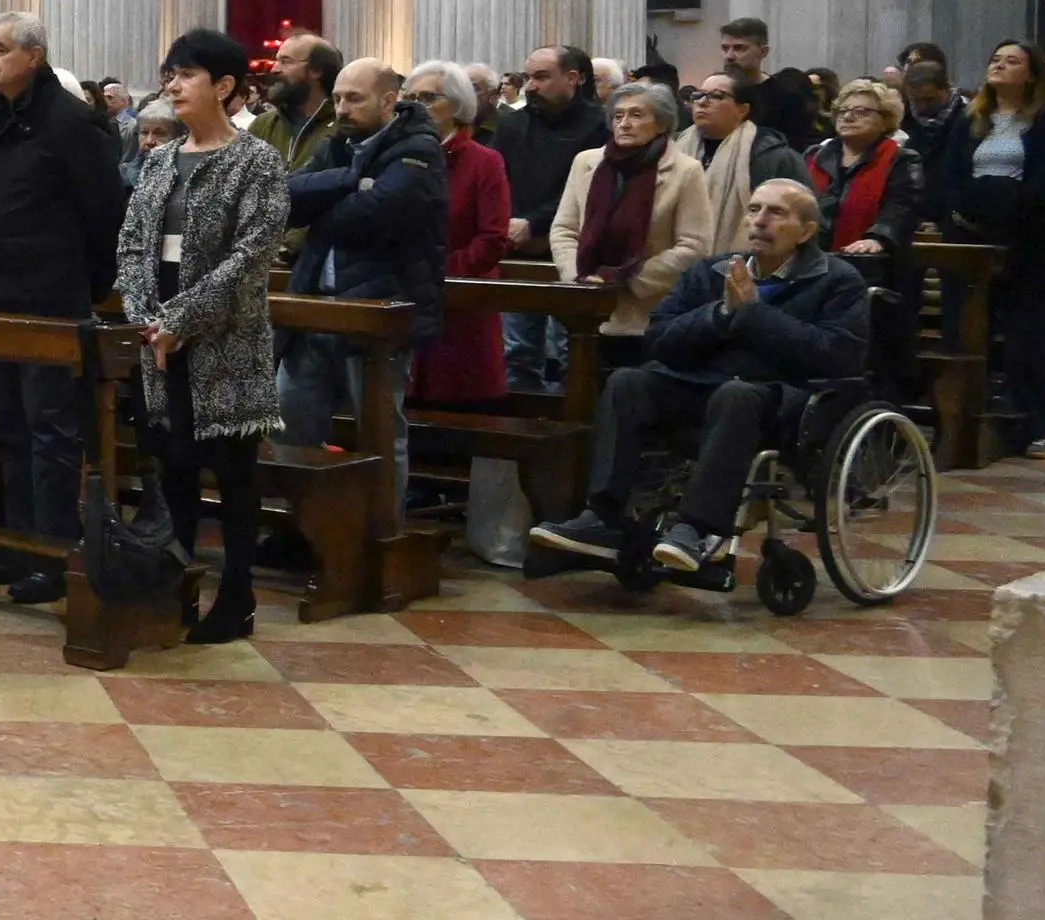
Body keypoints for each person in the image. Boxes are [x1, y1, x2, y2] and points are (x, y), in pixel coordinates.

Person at [529, 178, 869, 588]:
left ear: (807, 231)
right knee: (628, 382)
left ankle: (699, 529)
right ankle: (605, 517)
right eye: (755, 209)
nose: (760, 221)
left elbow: (835, 354)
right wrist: (720, 315)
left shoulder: (837, 280)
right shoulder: (712, 270)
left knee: (736, 394)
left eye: (777, 213)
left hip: (779, 400)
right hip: (699, 386)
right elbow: (658, 338)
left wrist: (753, 315)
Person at [116, 32, 289, 641]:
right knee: (172, 471)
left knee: (234, 477)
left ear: (224, 86)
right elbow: (133, 242)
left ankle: (236, 599)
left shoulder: (258, 162)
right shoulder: (160, 160)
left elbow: (250, 255)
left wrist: (181, 320)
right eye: (170, 74)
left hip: (225, 340)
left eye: (186, 74)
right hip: (157, 338)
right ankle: (175, 591)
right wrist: (146, 316)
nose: (172, 85)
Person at [0, 11, 127, 598]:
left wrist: (85, 287)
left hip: (49, 301)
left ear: (33, 56)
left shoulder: (71, 122)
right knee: (6, 426)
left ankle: (54, 554)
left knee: (50, 431)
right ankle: (17, 543)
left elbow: (103, 212)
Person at [278, 59, 447, 508]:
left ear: (389, 101)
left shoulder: (420, 147)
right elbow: (286, 196)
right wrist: (354, 180)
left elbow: (380, 212)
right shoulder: (337, 144)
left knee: (379, 431)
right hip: (313, 306)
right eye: (337, 98)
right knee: (293, 424)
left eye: (354, 98)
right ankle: (302, 530)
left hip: (378, 313)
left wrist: (326, 203)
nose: (342, 108)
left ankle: (380, 534)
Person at [932, 40, 1045, 457]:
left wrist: (1001, 206)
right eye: (995, 59)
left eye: (1011, 61)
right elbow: (950, 177)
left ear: (1031, 74)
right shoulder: (969, 119)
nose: (999, 65)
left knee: (1029, 338)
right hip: (973, 238)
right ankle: (965, 424)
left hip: (1030, 242)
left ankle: (1040, 426)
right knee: (966, 331)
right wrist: (970, 212)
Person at [549, 79, 716, 356]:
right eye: (618, 116)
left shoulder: (686, 171)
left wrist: (623, 279)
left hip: (649, 312)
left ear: (661, 124)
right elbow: (564, 230)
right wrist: (578, 280)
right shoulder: (586, 162)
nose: (624, 123)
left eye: (637, 115)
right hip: (587, 311)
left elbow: (694, 246)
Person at [405, 62, 514, 415]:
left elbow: (493, 239)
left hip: (460, 305)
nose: (416, 106)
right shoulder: (396, 158)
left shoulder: (484, 162)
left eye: (429, 98)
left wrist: (434, 274)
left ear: (458, 106)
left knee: (455, 411)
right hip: (402, 302)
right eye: (410, 97)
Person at [808, 78, 923, 284]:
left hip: (874, 267)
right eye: (842, 111)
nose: (848, 116)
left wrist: (878, 238)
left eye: (861, 112)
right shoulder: (814, 156)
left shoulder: (902, 159)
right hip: (810, 263)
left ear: (885, 119)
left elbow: (901, 207)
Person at [680, 71, 810, 244]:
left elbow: (803, 215)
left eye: (717, 96)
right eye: (698, 95)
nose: (702, 102)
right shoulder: (676, 147)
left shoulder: (773, 156)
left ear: (742, 110)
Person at [717, 16, 821, 151]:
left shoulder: (786, 94)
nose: (729, 56)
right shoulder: (717, 93)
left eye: (739, 48)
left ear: (763, 51)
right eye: (725, 48)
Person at [251, 32, 343, 172]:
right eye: (276, 60)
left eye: (285, 61)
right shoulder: (263, 125)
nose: (274, 69)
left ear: (316, 70)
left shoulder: (344, 126)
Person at [898, 58, 968, 194]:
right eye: (915, 100)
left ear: (946, 88)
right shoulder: (904, 117)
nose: (922, 106)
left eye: (929, 99)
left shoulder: (967, 116)